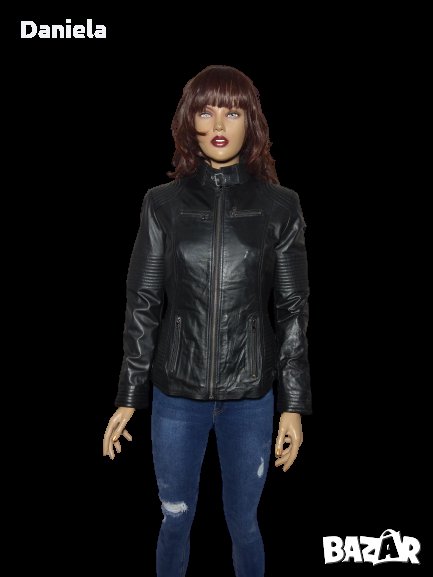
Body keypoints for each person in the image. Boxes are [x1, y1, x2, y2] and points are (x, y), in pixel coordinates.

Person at [103, 64, 312, 577]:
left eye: (233, 112)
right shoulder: (163, 204)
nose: (219, 124)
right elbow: (144, 300)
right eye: (206, 111)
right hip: (176, 394)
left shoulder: (280, 206)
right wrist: (130, 393)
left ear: (251, 122)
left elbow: (292, 308)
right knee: (174, 519)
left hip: (250, 395)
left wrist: (293, 405)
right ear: (189, 121)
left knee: (244, 524)